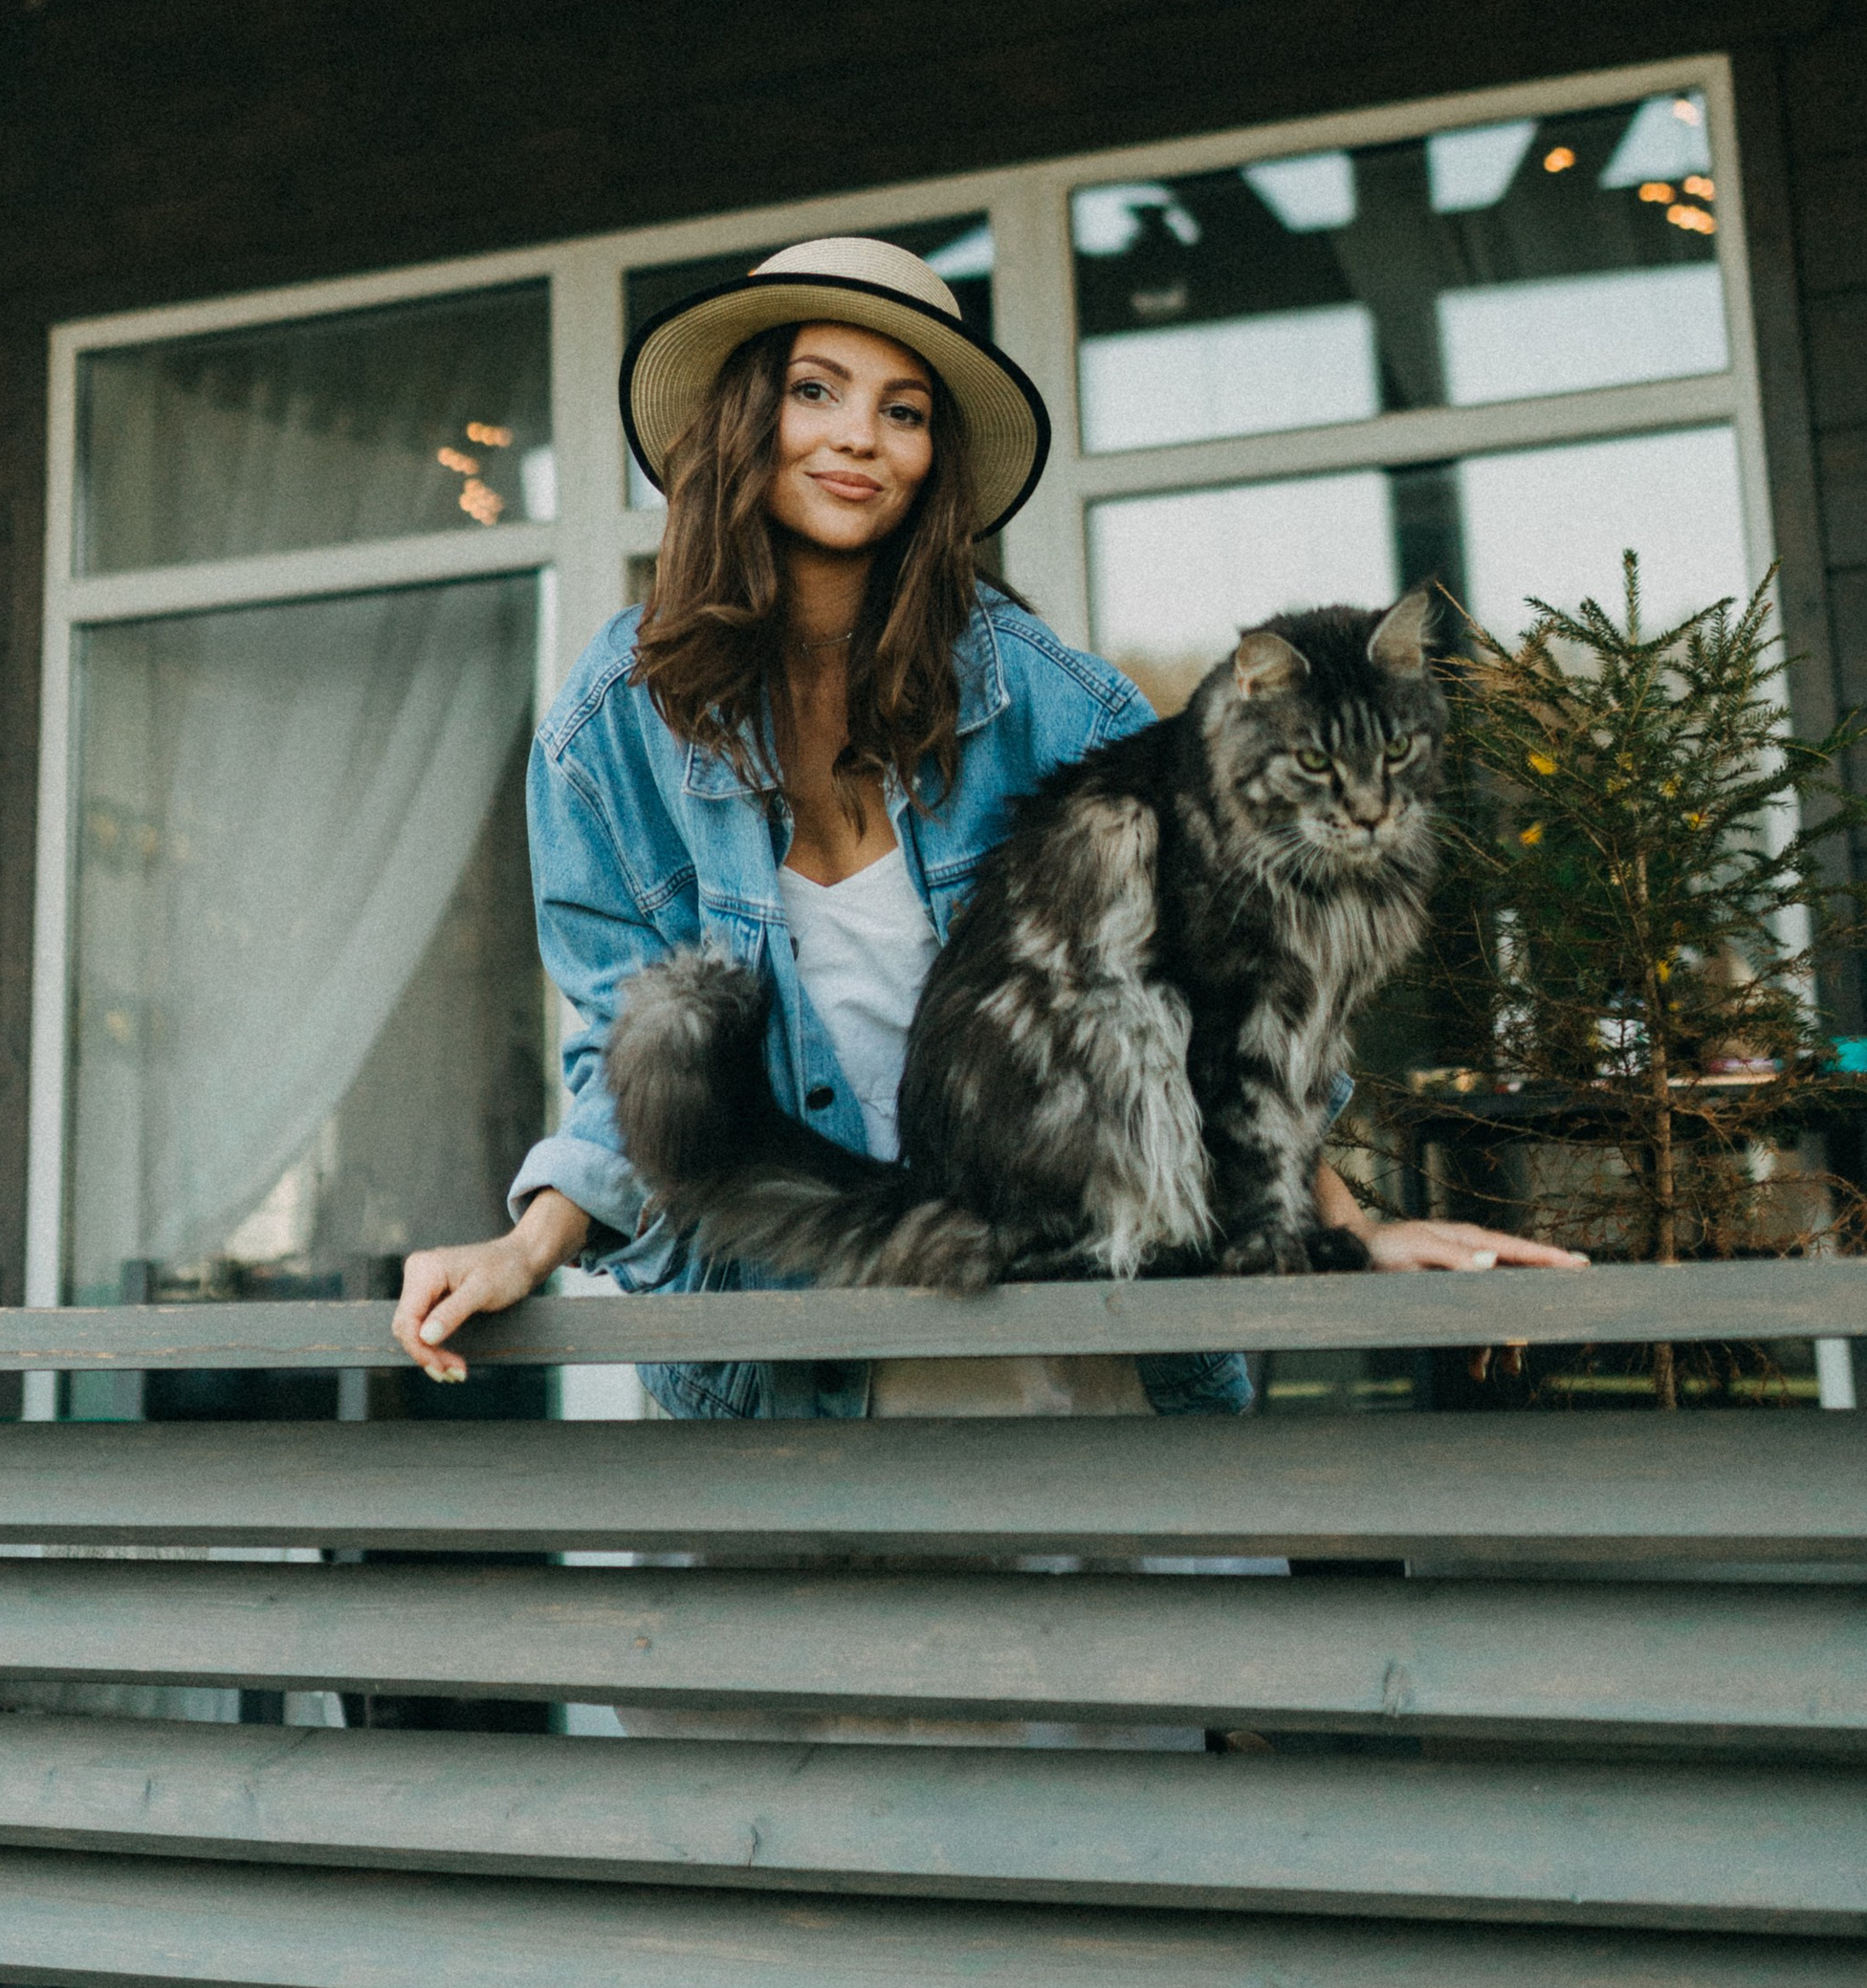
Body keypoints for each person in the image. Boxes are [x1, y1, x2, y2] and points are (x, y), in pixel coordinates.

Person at [394, 234, 1576, 1414]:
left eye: (903, 412)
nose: (859, 436)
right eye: (816, 392)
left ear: (932, 463)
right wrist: (523, 1248)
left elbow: (1223, 1003)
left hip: (1084, 1334)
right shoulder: (611, 725)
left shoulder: (1054, 702)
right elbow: (628, 1055)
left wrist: (1350, 1230)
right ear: (740, 422)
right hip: (793, 1356)